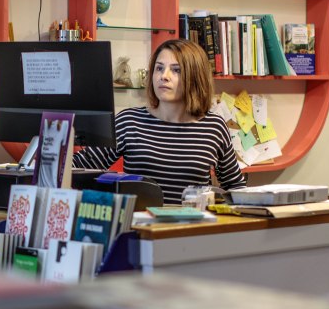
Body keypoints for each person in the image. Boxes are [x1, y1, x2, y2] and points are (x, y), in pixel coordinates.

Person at [72, 38, 246, 204]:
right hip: (139, 228)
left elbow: (236, 188)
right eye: (159, 68)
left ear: (195, 77)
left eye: (176, 70)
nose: (164, 76)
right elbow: (78, 167)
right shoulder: (129, 121)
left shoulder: (214, 127)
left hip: (191, 228)